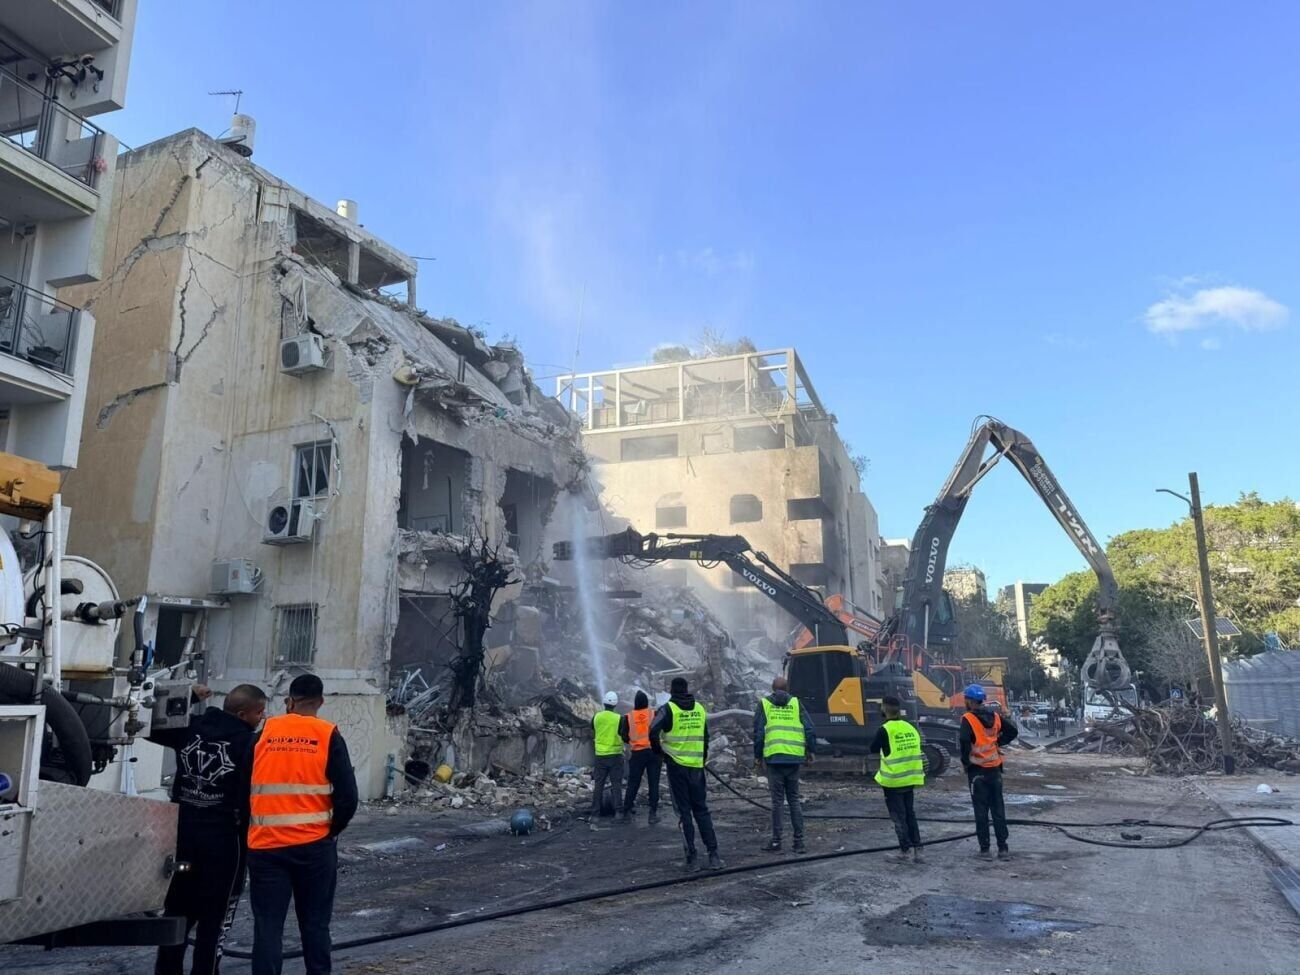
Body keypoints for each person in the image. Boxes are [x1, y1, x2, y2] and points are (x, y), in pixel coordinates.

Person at [150, 683, 268, 975]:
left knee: (177, 909)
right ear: (242, 714)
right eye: (259, 712)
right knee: (215, 918)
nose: (262, 718)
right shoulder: (249, 744)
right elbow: (253, 794)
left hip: (183, 836)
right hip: (225, 842)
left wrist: (189, 697)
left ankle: (166, 971)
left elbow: (152, 726)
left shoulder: (190, 727)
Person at [246, 674, 358, 975]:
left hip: (266, 845)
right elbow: (348, 797)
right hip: (314, 847)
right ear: (320, 702)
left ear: (289, 701)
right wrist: (331, 831)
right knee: (315, 924)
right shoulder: (328, 734)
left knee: (268, 927)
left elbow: (243, 782)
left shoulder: (265, 731)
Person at [650, 676, 723, 871]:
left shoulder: (668, 709)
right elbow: (705, 736)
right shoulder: (699, 708)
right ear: (686, 689)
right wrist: (702, 757)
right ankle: (714, 855)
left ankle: (692, 858)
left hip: (677, 767)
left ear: (671, 690)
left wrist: (659, 752)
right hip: (697, 768)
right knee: (702, 810)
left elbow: (652, 730)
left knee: (684, 812)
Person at [753, 675, 815, 853]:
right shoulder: (796, 704)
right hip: (793, 759)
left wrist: (757, 756)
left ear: (772, 689)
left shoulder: (764, 704)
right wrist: (811, 751)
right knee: (794, 800)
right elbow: (809, 729)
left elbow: (759, 733)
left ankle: (776, 841)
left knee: (777, 802)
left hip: (774, 759)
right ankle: (799, 842)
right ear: (788, 689)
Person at [959, 682, 1018, 861]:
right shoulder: (995, 716)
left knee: (981, 810)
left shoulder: (968, 718)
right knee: (998, 809)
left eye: (966, 699)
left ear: (970, 701)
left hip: (977, 771)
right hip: (994, 769)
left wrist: (965, 762)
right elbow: (1012, 731)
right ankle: (1003, 848)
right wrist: (998, 742)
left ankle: (985, 850)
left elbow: (964, 741)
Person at [869, 694, 925, 864]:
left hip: (893, 781)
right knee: (910, 814)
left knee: (899, 817)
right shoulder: (910, 727)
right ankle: (918, 850)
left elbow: (873, 748)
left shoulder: (885, 729)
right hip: (910, 778)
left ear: (884, 709)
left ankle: (904, 851)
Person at [620, 690, 661, 823]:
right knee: (653, 783)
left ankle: (626, 812)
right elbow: (659, 730)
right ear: (646, 702)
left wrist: (633, 741)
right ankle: (652, 814)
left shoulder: (628, 717)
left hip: (637, 753)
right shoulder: (654, 714)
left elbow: (624, 736)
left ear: (635, 702)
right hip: (654, 752)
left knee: (633, 782)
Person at [590, 691, 625, 821]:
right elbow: (624, 734)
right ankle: (618, 812)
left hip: (600, 756)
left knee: (599, 785)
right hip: (615, 755)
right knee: (616, 784)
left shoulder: (596, 717)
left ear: (604, 703)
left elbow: (593, 728)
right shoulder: (619, 718)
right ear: (615, 704)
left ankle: (595, 814)